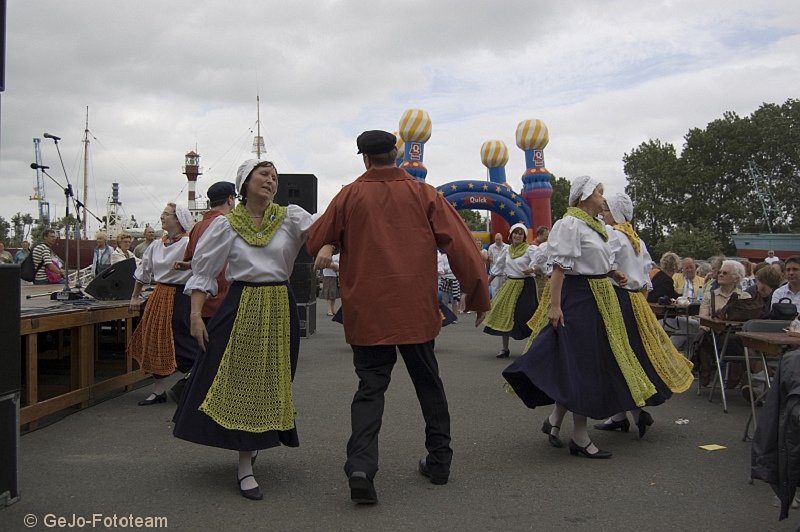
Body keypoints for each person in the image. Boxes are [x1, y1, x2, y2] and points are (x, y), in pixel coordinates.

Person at [306, 130, 491, 505]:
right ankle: (439, 462)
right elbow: (462, 244)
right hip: (415, 312)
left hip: (368, 312)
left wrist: (338, 238)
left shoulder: (349, 195)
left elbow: (314, 241)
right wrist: (478, 294)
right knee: (429, 385)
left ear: (364, 159)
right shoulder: (424, 193)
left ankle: (361, 467)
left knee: (369, 390)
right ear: (396, 154)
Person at [172, 161, 315, 502]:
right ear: (245, 183)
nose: (271, 180)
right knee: (239, 382)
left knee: (272, 381)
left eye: (275, 177)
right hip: (242, 303)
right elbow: (204, 271)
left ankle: (254, 443)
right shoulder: (226, 226)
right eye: (264, 174)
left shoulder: (291, 217)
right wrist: (195, 315)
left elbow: (325, 233)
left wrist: (330, 248)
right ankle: (244, 462)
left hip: (279, 303)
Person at [502, 176, 657, 459]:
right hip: (581, 297)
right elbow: (560, 267)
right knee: (582, 364)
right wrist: (555, 306)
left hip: (599, 295)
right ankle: (580, 436)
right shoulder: (570, 223)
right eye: (599, 192)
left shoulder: (594, 226)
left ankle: (557, 422)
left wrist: (612, 272)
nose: (602, 197)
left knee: (584, 363)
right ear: (585, 196)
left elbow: (592, 261)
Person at [594, 194, 694, 437]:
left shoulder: (615, 235)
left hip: (618, 299)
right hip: (637, 301)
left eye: (606, 211)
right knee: (631, 354)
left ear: (615, 214)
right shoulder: (636, 238)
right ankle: (625, 415)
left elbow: (601, 264)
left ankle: (632, 413)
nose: (602, 215)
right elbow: (646, 278)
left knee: (617, 355)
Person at [127, 203, 200, 406]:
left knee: (182, 338)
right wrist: (135, 296)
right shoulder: (157, 245)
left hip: (182, 294)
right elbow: (143, 272)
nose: (162, 217)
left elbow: (203, 267)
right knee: (154, 339)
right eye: (162, 214)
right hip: (160, 293)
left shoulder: (189, 243)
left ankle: (195, 382)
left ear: (178, 219)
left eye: (166, 214)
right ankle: (159, 391)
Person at [170, 181, 236, 402]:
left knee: (205, 349)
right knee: (220, 352)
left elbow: (195, 259)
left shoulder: (198, 227)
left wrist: (188, 266)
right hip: (221, 296)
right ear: (230, 199)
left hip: (199, 298)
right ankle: (200, 394)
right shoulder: (226, 224)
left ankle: (194, 390)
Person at [482, 223, 539, 358]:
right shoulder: (507, 250)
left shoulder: (529, 249)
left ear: (524, 236)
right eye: (515, 233)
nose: (517, 235)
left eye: (520, 233)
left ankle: (531, 348)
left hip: (526, 285)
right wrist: (486, 284)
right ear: (511, 234)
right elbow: (497, 267)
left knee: (526, 315)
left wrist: (532, 269)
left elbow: (540, 261)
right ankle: (504, 348)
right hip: (510, 284)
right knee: (504, 313)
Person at [694, 260, 751, 387]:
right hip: (715, 334)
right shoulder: (710, 296)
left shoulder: (744, 297)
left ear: (736, 278)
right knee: (703, 336)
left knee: (737, 340)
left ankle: (736, 371)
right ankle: (706, 368)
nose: (720, 275)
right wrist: (707, 325)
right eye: (720, 272)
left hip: (736, 335)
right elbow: (703, 318)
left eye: (725, 273)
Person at [487, 233, 508, 297]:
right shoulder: (491, 247)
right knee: (495, 292)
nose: (498, 241)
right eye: (496, 240)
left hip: (504, 273)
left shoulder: (507, 247)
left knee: (504, 291)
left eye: (499, 239)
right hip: (494, 274)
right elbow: (488, 258)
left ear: (502, 239)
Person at [320, 248, 340, 316]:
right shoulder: (327, 254)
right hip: (328, 275)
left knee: (334, 294)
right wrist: (335, 267)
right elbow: (325, 263)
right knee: (329, 293)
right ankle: (329, 310)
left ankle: (332, 309)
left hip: (335, 276)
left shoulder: (338, 254)